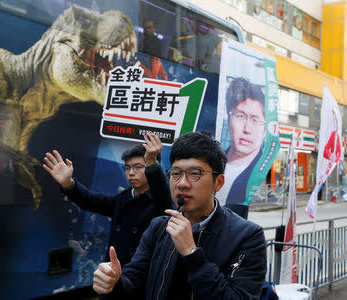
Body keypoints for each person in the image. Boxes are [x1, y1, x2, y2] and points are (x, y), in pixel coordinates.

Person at [92, 132, 267, 299]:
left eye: (194, 174)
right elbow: (133, 286)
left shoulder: (248, 237)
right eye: (175, 173)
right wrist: (114, 283)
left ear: (218, 182)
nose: (182, 183)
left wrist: (191, 253)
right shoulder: (158, 227)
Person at [42, 132, 174, 269]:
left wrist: (152, 161)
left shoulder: (160, 201)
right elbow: (89, 200)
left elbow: (161, 190)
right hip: (114, 274)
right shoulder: (123, 199)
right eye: (127, 168)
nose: (131, 173)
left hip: (141, 277)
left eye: (138, 167)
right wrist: (68, 183)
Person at [217, 77, 266, 207]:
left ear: (265, 128)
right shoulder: (214, 163)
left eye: (255, 120)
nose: (247, 129)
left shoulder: (260, 170)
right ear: (228, 117)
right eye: (240, 116)